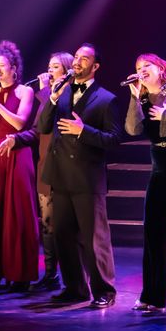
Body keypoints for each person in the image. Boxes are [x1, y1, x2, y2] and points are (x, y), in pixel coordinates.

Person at [37, 43, 122, 308]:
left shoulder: (106, 99)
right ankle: (75, 288)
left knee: (94, 238)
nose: (77, 62)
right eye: (76, 57)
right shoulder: (61, 92)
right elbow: (42, 126)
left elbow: (114, 139)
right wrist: (52, 98)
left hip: (87, 178)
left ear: (95, 66)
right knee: (63, 236)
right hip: (61, 174)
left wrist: (83, 131)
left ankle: (104, 290)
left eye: (84, 59)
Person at [0, 51, 74, 292]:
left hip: (66, 169)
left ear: (67, 70)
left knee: (65, 226)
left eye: (55, 67)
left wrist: (45, 93)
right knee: (48, 224)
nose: (49, 71)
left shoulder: (71, 94)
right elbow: (37, 130)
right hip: (46, 167)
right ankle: (51, 274)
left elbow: (60, 120)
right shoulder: (47, 97)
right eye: (49, 66)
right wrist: (17, 139)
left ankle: (73, 279)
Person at [125, 53, 166, 314]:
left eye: (146, 66)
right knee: (153, 232)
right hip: (159, 168)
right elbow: (132, 129)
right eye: (138, 67)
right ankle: (152, 295)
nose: (141, 70)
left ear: (161, 68)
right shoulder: (141, 96)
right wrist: (134, 97)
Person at [0, 40, 40, 288]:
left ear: (13, 68)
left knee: (18, 212)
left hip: (18, 153)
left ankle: (19, 274)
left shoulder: (24, 91)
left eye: (1, 66)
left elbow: (18, 123)